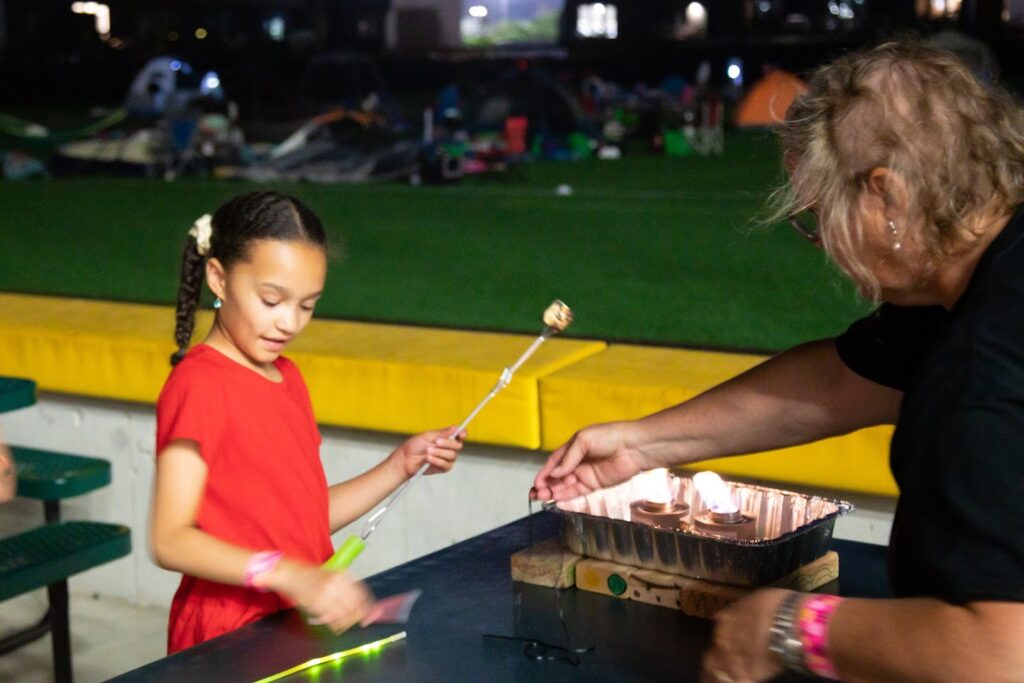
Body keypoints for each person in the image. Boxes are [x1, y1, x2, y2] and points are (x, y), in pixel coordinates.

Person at [532, 41, 1024, 683]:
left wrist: (789, 626)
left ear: (890, 196)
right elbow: (843, 379)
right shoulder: (977, 284)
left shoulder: (980, 370)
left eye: (820, 216)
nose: (826, 246)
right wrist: (641, 446)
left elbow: (999, 652)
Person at [150, 191, 465, 653]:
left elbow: (304, 523)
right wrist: (291, 574)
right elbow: (170, 539)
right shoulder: (198, 384)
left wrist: (399, 465)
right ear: (218, 278)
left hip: (292, 623)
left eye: (307, 305)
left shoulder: (288, 377)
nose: (289, 323)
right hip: (226, 637)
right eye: (271, 299)